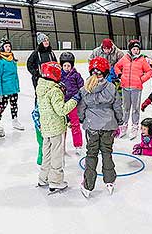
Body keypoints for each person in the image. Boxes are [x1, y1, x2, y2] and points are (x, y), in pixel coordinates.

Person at [78, 57, 123, 198]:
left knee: (91, 154)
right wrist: (119, 120)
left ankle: (88, 185)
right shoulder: (111, 87)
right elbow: (117, 106)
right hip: (108, 126)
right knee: (106, 152)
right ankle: (109, 181)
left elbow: (82, 108)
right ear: (106, 72)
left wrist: (81, 119)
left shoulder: (85, 88)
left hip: (92, 126)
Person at [36, 61, 79, 193]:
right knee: (56, 155)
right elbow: (61, 110)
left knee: (47, 153)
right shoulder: (55, 91)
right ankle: (55, 181)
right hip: (55, 128)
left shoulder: (41, 87)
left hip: (46, 127)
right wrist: (75, 100)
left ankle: (43, 178)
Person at [114, 40, 152, 140]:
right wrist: (120, 75)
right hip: (125, 87)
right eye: (134, 49)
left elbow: (149, 71)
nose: (136, 51)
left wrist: (141, 80)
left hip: (136, 88)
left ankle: (135, 127)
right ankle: (124, 126)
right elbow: (117, 66)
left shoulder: (142, 60)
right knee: (125, 108)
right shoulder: (125, 58)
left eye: (137, 49)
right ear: (130, 49)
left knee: (135, 109)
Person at [0, 38, 24, 131]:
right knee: (2, 106)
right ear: (1, 48)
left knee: (14, 105)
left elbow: (15, 75)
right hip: (4, 89)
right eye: (6, 46)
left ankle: (15, 121)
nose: (8, 48)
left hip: (13, 88)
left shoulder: (12, 58)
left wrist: (17, 87)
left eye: (9, 46)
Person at [59, 52, 84, 155]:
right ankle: (62, 146)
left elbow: (82, 87)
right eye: (64, 65)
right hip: (62, 104)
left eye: (68, 65)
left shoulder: (76, 75)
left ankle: (78, 145)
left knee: (75, 124)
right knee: (62, 125)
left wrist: (78, 97)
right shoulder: (58, 75)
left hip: (73, 103)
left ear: (72, 65)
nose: (66, 67)